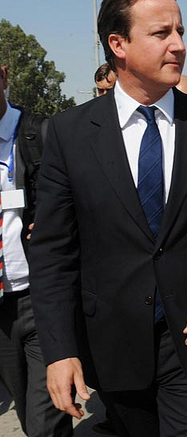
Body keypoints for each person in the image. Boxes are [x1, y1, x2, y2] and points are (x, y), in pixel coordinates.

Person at [29, 0, 187, 437]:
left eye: (180, 31)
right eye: (161, 33)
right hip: (113, 347)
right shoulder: (69, 134)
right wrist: (59, 351)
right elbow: (53, 254)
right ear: (118, 44)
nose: (178, 45)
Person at [0, 65, 72, 436]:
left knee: (47, 419)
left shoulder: (43, 133)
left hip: (40, 297)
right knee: (29, 416)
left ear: (3, 75)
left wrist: (54, 221)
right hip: (1, 306)